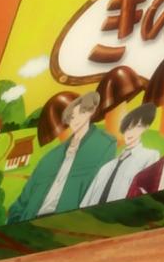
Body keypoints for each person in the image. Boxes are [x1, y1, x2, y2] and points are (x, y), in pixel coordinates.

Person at [8, 91, 115, 222]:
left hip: (69, 222)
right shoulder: (50, 157)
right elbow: (22, 201)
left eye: (81, 113)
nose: (75, 120)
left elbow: (103, 191)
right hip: (33, 222)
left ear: (90, 112)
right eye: (72, 116)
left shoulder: (104, 144)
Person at [80, 103, 161, 207]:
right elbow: (85, 203)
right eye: (128, 128)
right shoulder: (106, 167)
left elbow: (148, 193)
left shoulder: (150, 156)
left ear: (145, 128)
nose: (131, 132)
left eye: (138, 127)